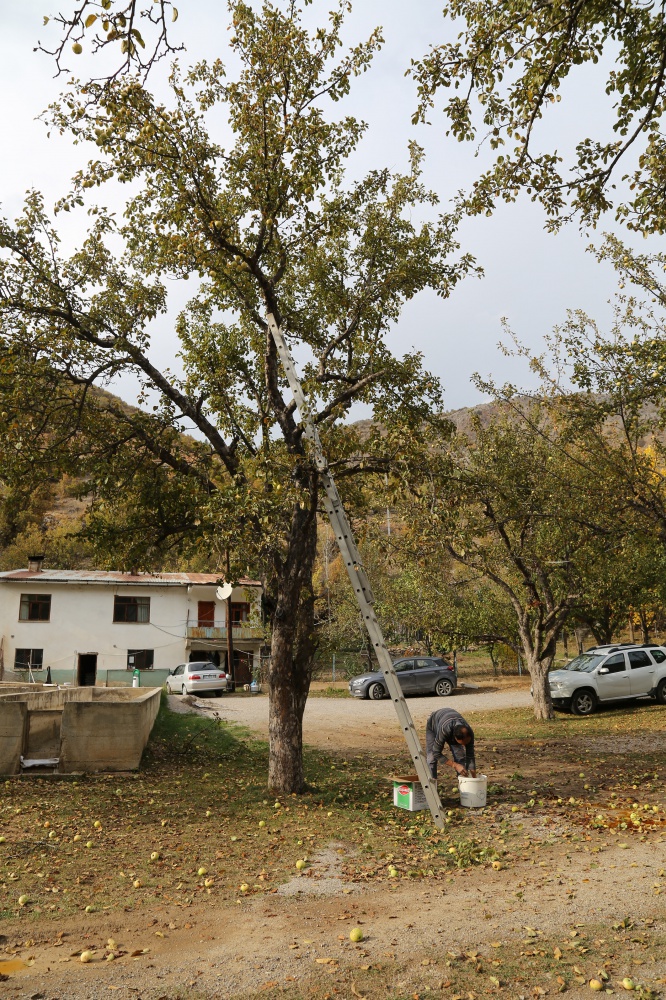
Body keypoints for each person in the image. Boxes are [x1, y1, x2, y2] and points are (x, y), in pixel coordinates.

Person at [426, 707, 476, 780]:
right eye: (462, 744)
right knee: (431, 758)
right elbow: (436, 753)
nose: (464, 746)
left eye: (466, 743)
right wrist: (455, 765)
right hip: (434, 723)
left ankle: (463, 785)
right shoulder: (444, 730)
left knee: (460, 757)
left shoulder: (469, 732)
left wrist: (474, 777)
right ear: (455, 738)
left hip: (449, 719)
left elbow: (470, 754)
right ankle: (432, 786)